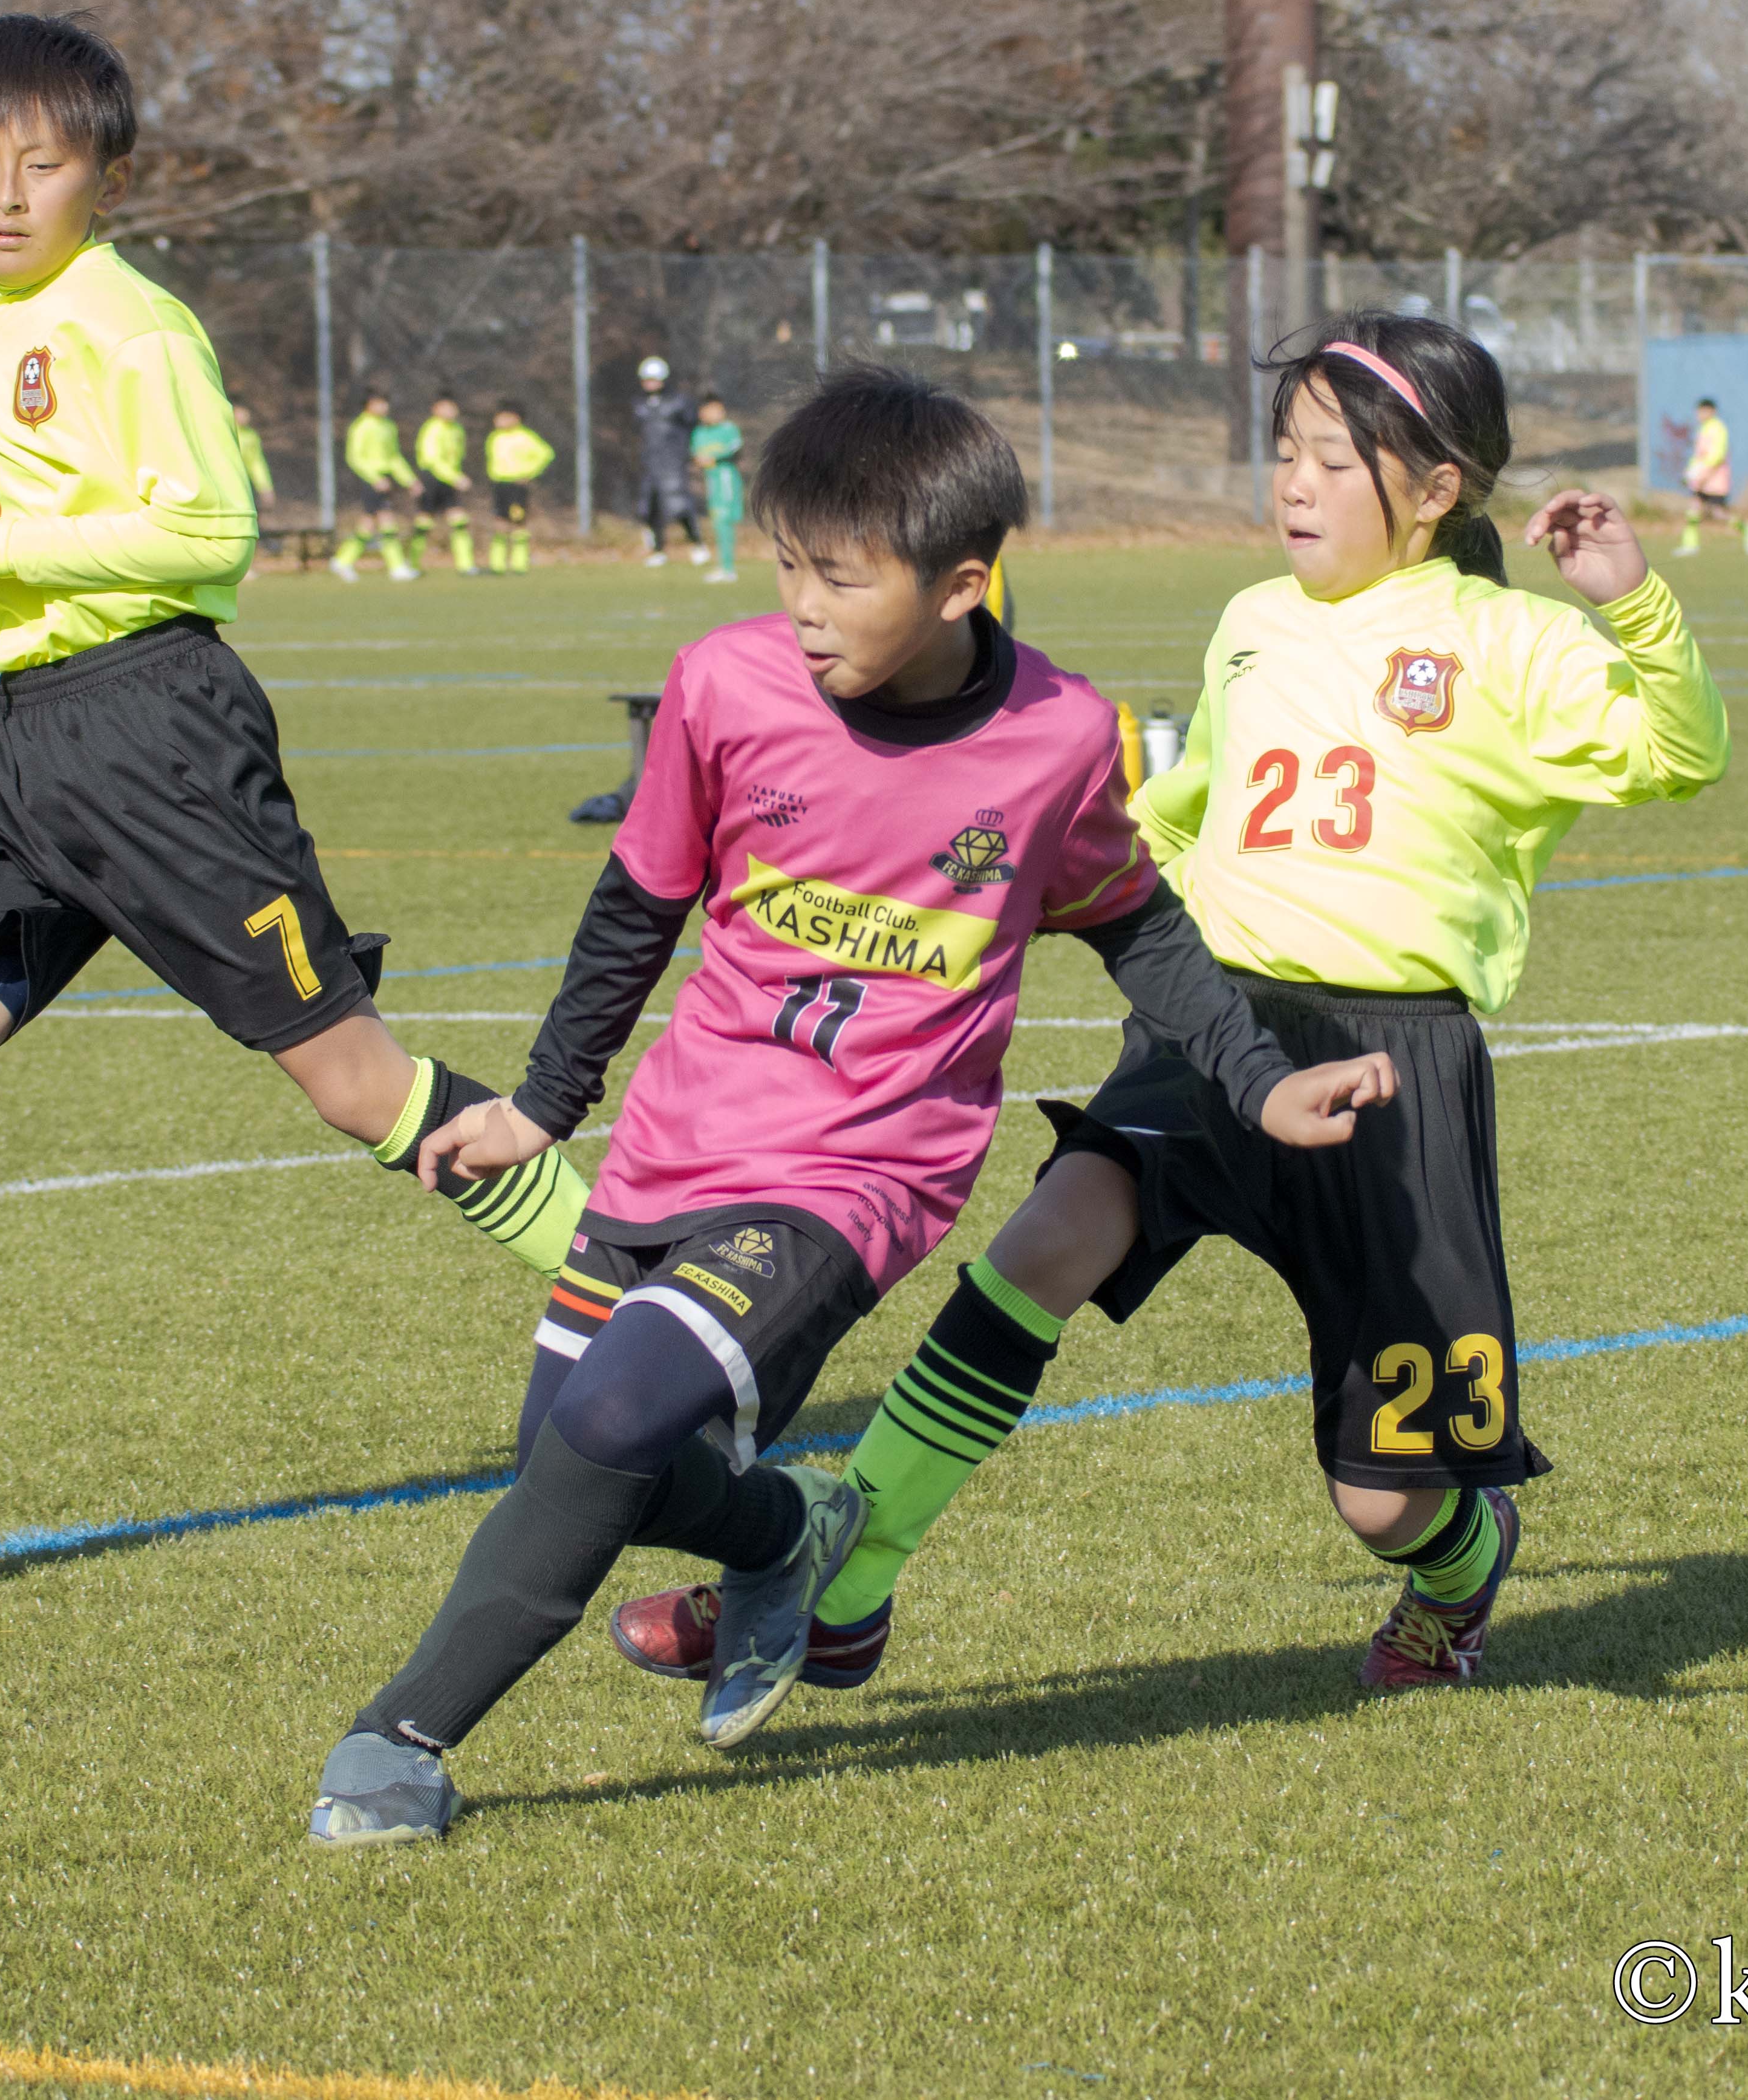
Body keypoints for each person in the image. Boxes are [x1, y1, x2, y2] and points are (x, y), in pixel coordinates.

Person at [306, 365, 1397, 1846]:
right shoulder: (721, 685)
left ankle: (397, 1741)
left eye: (840, 575)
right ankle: (789, 1532)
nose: (801, 604)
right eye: (785, 565)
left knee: (615, 1421)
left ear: (958, 583)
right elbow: (635, 904)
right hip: (677, 1140)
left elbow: (1130, 920)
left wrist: (1255, 1085)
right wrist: (546, 1104)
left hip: (856, 1172)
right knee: (572, 1456)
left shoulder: (1059, 733)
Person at [610, 313, 1728, 1720]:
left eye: (1332, 456)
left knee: (1383, 1496)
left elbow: (1681, 753)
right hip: (1218, 1037)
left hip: (1391, 1074)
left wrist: (1625, 602)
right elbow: (1159, 825)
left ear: (1434, 487)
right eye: (1281, 451)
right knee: (1040, 1245)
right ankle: (844, 1577)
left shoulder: (1505, 639)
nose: (1294, 483)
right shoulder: (1251, 621)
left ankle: (1457, 1566)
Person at [0, 15, 598, 1554]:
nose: (5, 194)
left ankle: (635, 1301)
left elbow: (205, 533)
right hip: (24, 746)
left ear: (106, 177)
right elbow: (57, 529)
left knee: (352, 1084)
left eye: (44, 164)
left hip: (155, 741)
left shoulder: (128, 323)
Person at [331, 385, 419, 582]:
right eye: (379, 403)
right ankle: (396, 567)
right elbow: (355, 457)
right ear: (368, 406)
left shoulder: (388, 426)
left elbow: (394, 457)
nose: (384, 407)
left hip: (386, 479)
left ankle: (343, 560)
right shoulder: (361, 427)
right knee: (386, 522)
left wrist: (409, 480)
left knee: (369, 524)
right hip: (373, 480)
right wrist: (374, 478)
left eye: (385, 403)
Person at [630, 354, 698, 566]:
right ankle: (658, 550)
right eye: (647, 379)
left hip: (673, 463)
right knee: (650, 508)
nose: (650, 383)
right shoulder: (640, 405)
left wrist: (689, 452)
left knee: (679, 506)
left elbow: (691, 428)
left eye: (655, 379)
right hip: (651, 463)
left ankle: (696, 544)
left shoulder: (678, 402)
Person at [1671, 396, 1748, 556]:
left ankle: (1747, 530)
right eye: (1698, 411)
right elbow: (1698, 456)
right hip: (1701, 479)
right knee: (1694, 510)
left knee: (1719, 513)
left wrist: (1705, 474)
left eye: (1703, 411)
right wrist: (1690, 473)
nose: (1700, 414)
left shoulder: (1718, 429)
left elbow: (1718, 455)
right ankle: (1690, 545)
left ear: (1711, 411)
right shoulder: (1702, 429)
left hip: (1715, 480)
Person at [482, 402, 552, 573]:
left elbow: (546, 454)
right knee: (499, 523)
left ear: (516, 418)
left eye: (504, 417)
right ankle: (497, 564)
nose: (499, 421)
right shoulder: (495, 438)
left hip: (516, 486)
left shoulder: (525, 437)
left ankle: (519, 564)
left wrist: (529, 473)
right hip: (500, 485)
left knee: (518, 522)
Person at [411, 390, 475, 575]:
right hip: (432, 479)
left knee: (460, 521)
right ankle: (413, 564)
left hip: (449, 480)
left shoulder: (457, 429)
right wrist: (456, 477)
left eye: (452, 407)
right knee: (424, 522)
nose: (450, 411)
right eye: (445, 407)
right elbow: (433, 461)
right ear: (435, 409)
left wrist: (455, 476)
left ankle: (466, 566)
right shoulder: (432, 429)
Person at [689, 391, 744, 584]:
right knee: (718, 523)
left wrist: (715, 458)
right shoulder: (700, 433)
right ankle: (725, 567)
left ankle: (728, 569)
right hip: (711, 482)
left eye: (718, 410)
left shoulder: (729, 429)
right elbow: (697, 455)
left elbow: (735, 448)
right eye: (710, 410)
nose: (715, 414)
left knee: (724, 522)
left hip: (726, 480)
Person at [226, 394, 274, 507]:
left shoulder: (251, 436)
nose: (244, 415)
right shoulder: (224, 429)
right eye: (240, 411)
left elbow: (256, 464)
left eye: (246, 411)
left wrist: (265, 487)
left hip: (242, 486)